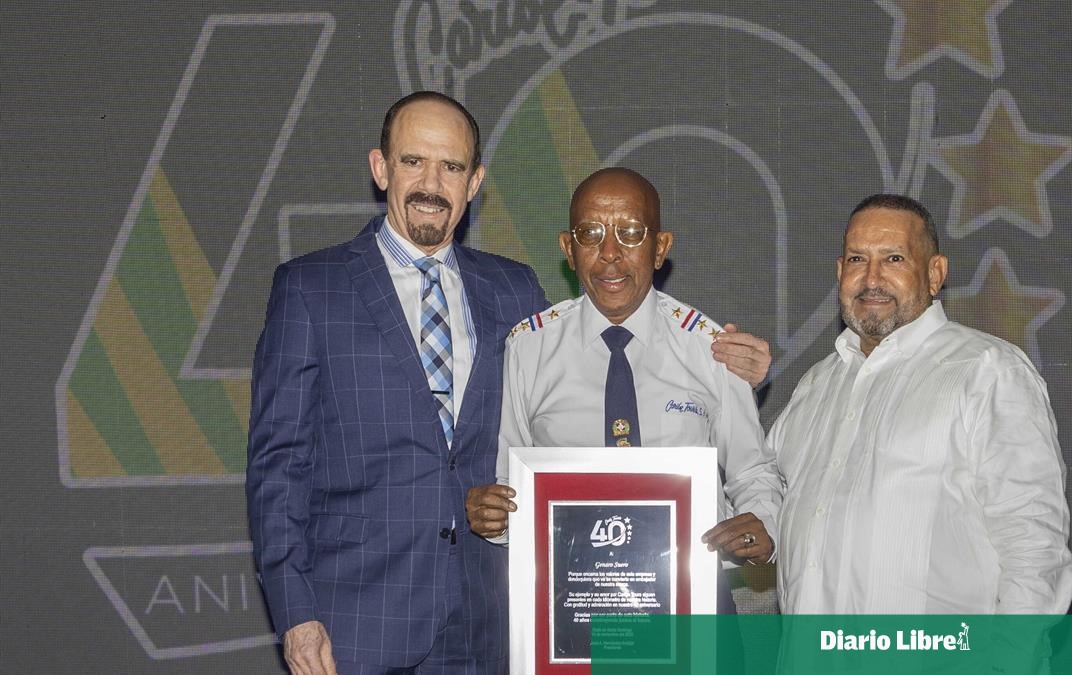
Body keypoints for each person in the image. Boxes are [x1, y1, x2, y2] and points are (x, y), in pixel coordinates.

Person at [246, 93, 772, 675]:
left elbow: (595, 355)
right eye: (413, 160)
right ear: (381, 167)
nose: (431, 183)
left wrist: (736, 373)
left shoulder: (513, 291)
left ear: (474, 182)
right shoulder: (311, 288)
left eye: (451, 166)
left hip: (488, 623)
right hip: (357, 622)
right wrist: (295, 614)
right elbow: (278, 466)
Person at [466, 168, 784, 614]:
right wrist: (495, 519)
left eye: (631, 233)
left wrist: (763, 525)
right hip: (572, 604)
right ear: (568, 249)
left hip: (692, 601)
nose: (610, 253)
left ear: (661, 248)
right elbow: (510, 485)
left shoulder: (710, 348)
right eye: (590, 234)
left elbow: (752, 472)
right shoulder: (529, 349)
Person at [769, 193, 1072, 614]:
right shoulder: (816, 385)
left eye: (893, 259)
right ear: (840, 272)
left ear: (935, 274)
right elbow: (765, 502)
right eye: (857, 259)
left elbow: (1034, 547)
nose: (871, 278)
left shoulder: (987, 370)